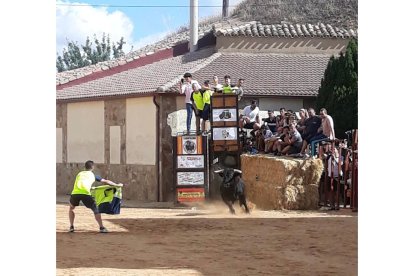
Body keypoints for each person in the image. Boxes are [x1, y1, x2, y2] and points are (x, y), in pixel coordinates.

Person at [69, 160, 124, 233]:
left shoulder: (79, 174)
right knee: (96, 210)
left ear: (84, 167)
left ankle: (71, 226)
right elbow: (106, 181)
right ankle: (101, 227)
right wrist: (116, 185)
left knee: (71, 209)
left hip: (75, 193)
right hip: (86, 193)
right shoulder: (93, 175)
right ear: (92, 167)